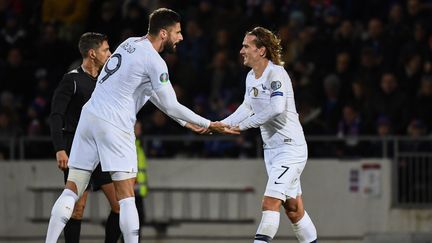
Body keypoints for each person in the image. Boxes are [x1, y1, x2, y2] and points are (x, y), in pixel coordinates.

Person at [45, 8, 235, 243]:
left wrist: (185, 123)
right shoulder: (155, 61)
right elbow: (171, 104)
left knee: (71, 190)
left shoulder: (129, 43)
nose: (181, 37)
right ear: (163, 34)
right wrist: (208, 123)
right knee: (126, 198)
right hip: (115, 124)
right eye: (178, 32)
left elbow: (152, 94)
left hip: (88, 117)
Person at [221, 27, 318, 243]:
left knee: (269, 202)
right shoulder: (250, 77)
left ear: (261, 50)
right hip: (272, 152)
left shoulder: (276, 74)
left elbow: (276, 108)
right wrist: (220, 124)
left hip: (290, 149)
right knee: (294, 209)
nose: (241, 51)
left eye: (246, 46)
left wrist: (242, 127)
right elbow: (247, 107)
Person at [49, 32, 121, 243]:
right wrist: (59, 148)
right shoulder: (71, 80)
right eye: (106, 50)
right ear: (92, 53)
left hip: (101, 150)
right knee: (77, 209)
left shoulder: (106, 80)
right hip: (76, 149)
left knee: (119, 205)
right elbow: (56, 115)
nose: (109, 54)